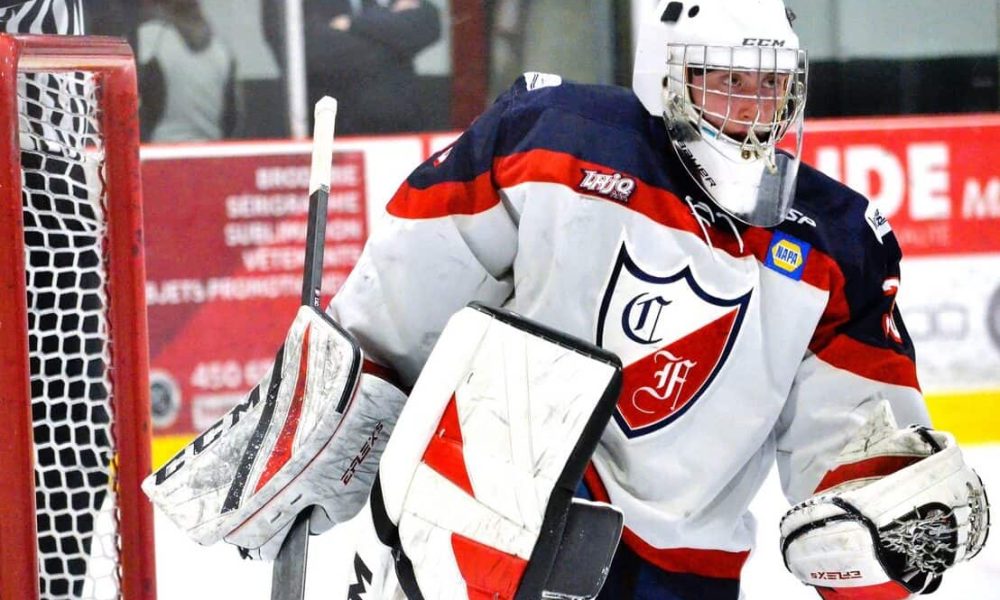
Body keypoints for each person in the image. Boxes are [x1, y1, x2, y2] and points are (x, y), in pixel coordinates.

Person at [315, 0, 989, 598]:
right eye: (728, 79)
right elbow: (410, 293)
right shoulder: (556, 140)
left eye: (771, 84)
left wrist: (880, 516)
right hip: (497, 531)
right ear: (669, 73)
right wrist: (323, 415)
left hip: (684, 569)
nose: (754, 107)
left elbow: (850, 439)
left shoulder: (840, 244)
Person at [304, 0, 440, 134]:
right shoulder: (307, 5)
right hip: (338, 125)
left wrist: (351, 24)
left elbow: (426, 25)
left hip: (399, 121)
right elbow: (312, 49)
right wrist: (393, 40)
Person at [137, 0, 240, 142]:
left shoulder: (150, 38)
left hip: (159, 154)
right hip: (211, 155)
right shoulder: (220, 50)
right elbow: (232, 117)